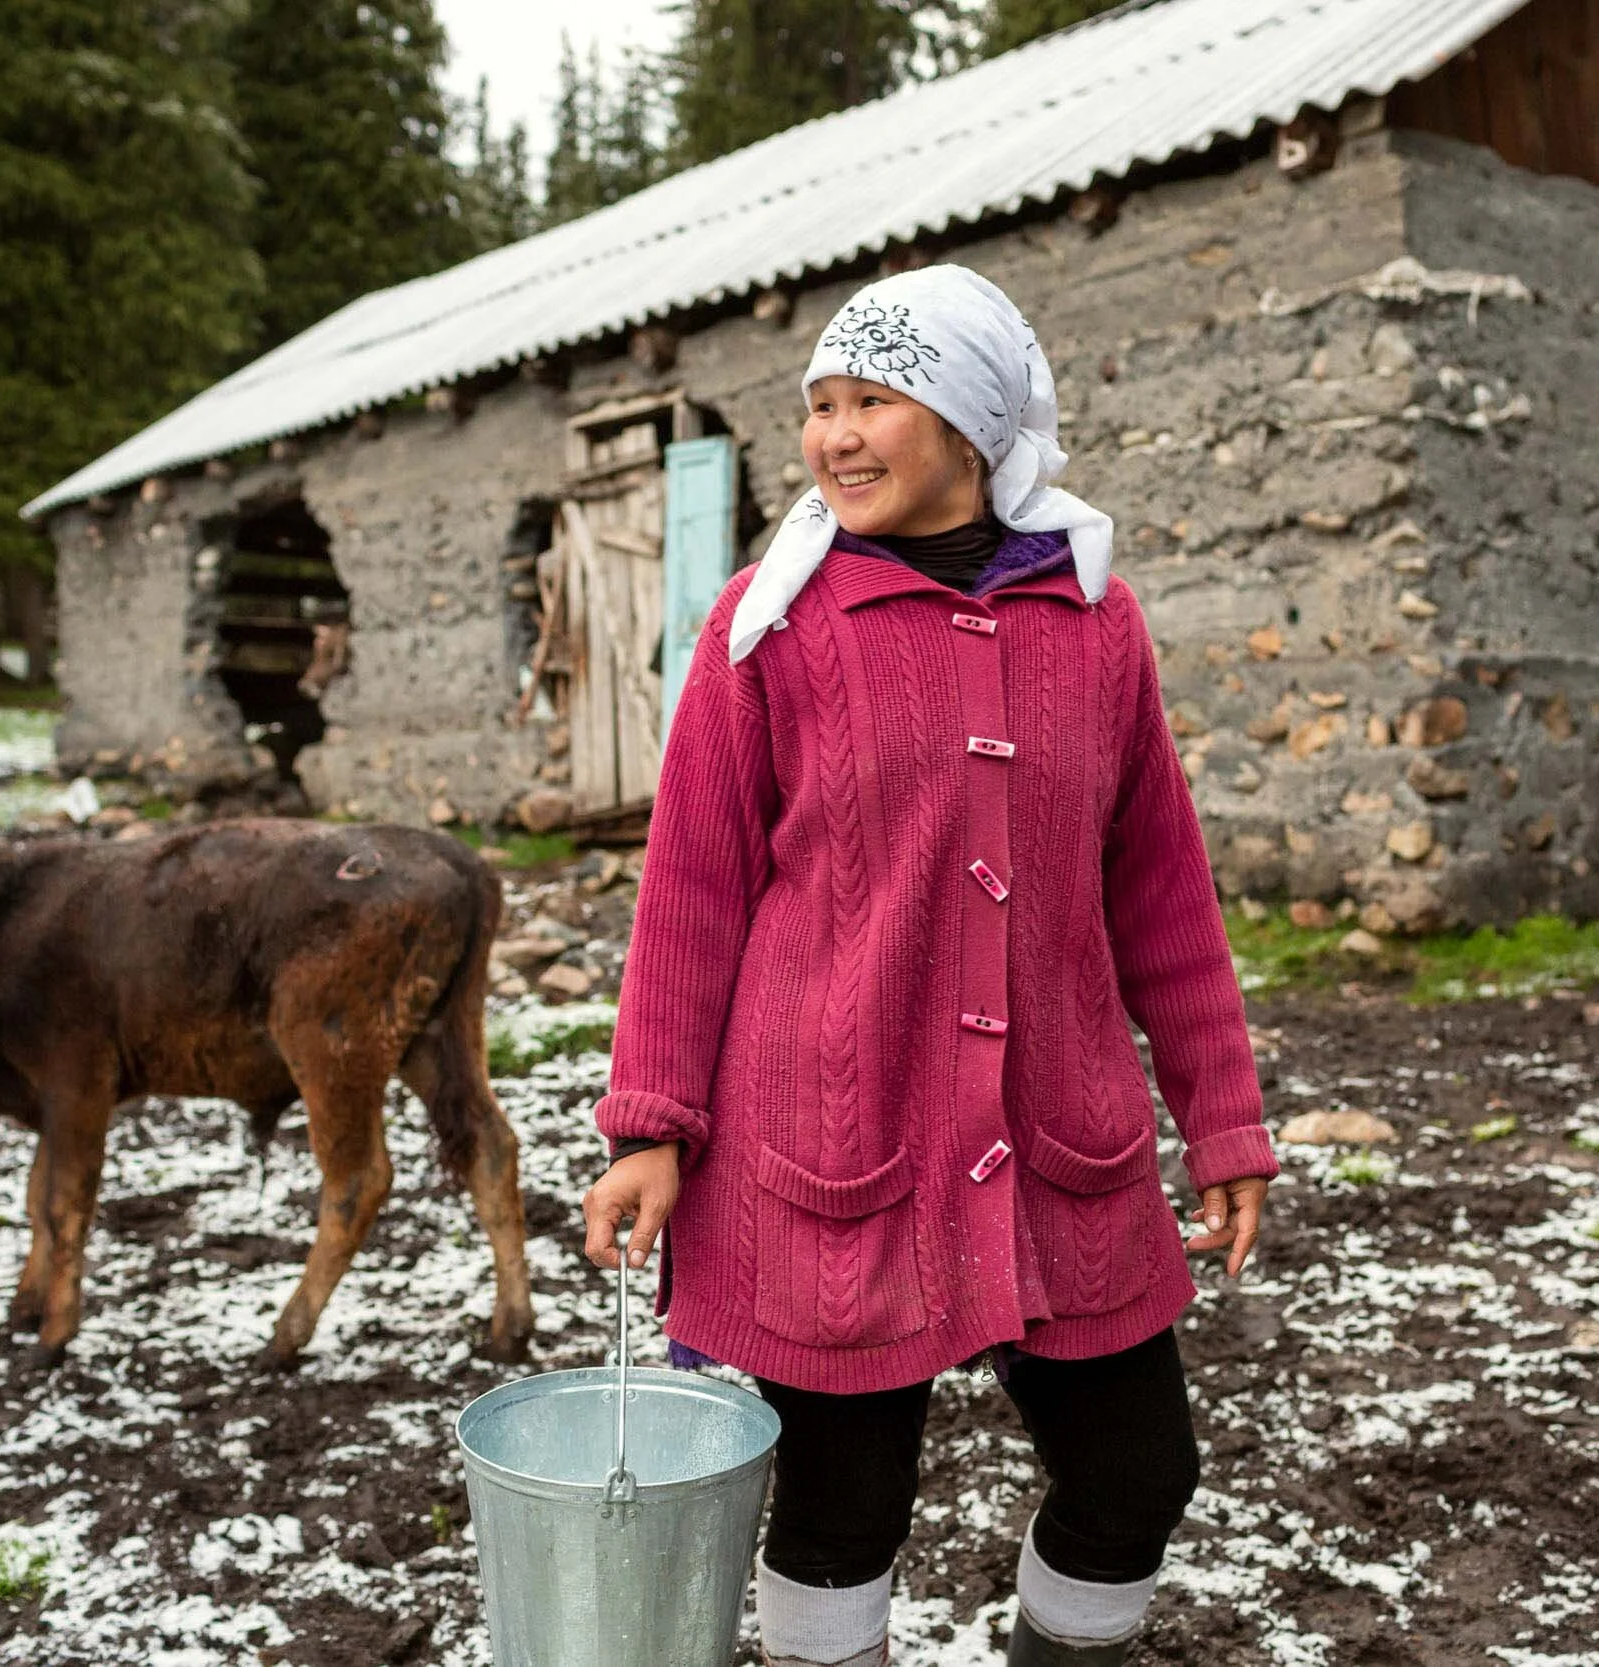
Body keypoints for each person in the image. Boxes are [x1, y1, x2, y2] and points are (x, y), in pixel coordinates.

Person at [581, 264, 1276, 1666]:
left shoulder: (1096, 621)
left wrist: (1223, 1120)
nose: (834, 437)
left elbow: (1162, 893)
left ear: (970, 425)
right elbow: (692, 891)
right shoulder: (767, 627)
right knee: (843, 1512)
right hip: (834, 1137)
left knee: (1139, 1473)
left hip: (1059, 1132)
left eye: (873, 403)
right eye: (819, 406)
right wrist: (651, 1124)